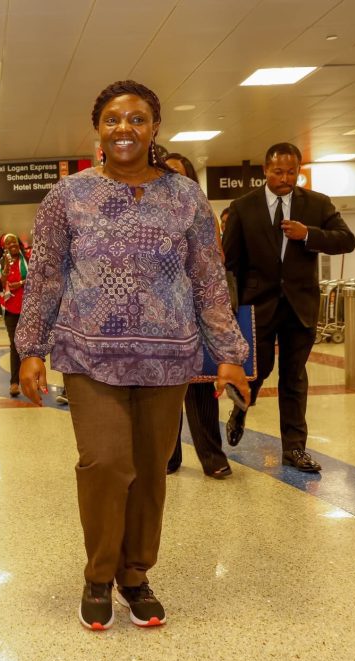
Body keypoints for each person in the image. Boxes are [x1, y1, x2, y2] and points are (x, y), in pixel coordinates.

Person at [16, 81, 250, 631]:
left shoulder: (186, 197)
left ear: (154, 129)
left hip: (168, 358)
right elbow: (46, 278)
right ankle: (99, 574)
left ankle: (135, 575)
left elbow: (208, 279)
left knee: (149, 469)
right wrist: (31, 349)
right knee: (105, 462)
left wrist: (229, 354)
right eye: (113, 120)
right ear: (97, 129)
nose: (125, 129)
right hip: (89, 354)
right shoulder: (67, 197)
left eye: (137, 119)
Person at [222, 142, 355, 472]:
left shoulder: (317, 204)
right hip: (258, 306)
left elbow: (345, 239)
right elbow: (230, 263)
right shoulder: (243, 207)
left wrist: (308, 234)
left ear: (299, 171)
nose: (285, 177)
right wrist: (228, 310)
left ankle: (294, 449)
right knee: (259, 370)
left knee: (293, 377)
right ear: (265, 170)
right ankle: (240, 409)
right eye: (278, 171)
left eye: (291, 172)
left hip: (300, 305)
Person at [162, 152, 233, 479]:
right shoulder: (149, 213)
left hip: (196, 309)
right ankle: (168, 456)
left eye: (181, 175)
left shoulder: (203, 212)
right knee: (164, 391)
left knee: (201, 387)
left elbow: (215, 262)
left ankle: (212, 456)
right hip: (160, 315)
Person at [0, 233, 29, 397]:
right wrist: (6, 272)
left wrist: (21, 283)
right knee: (15, 345)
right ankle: (14, 383)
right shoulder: (2, 264)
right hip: (11, 310)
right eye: (8, 243)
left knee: (31, 345)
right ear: (4, 247)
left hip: (30, 309)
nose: (12, 244)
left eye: (14, 241)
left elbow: (38, 277)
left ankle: (32, 379)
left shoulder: (28, 258)